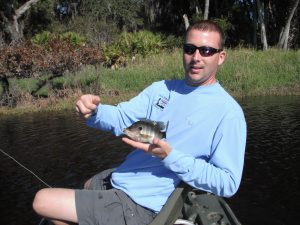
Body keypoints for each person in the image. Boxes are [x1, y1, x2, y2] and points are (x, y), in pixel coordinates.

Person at [32, 20, 247, 225]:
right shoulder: (161, 89)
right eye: (190, 48)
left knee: (43, 200)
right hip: (124, 177)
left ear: (221, 57)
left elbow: (227, 182)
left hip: (142, 203)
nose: (196, 57)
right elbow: (123, 118)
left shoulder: (228, 113)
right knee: (89, 183)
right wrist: (94, 112)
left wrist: (170, 157)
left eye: (207, 50)